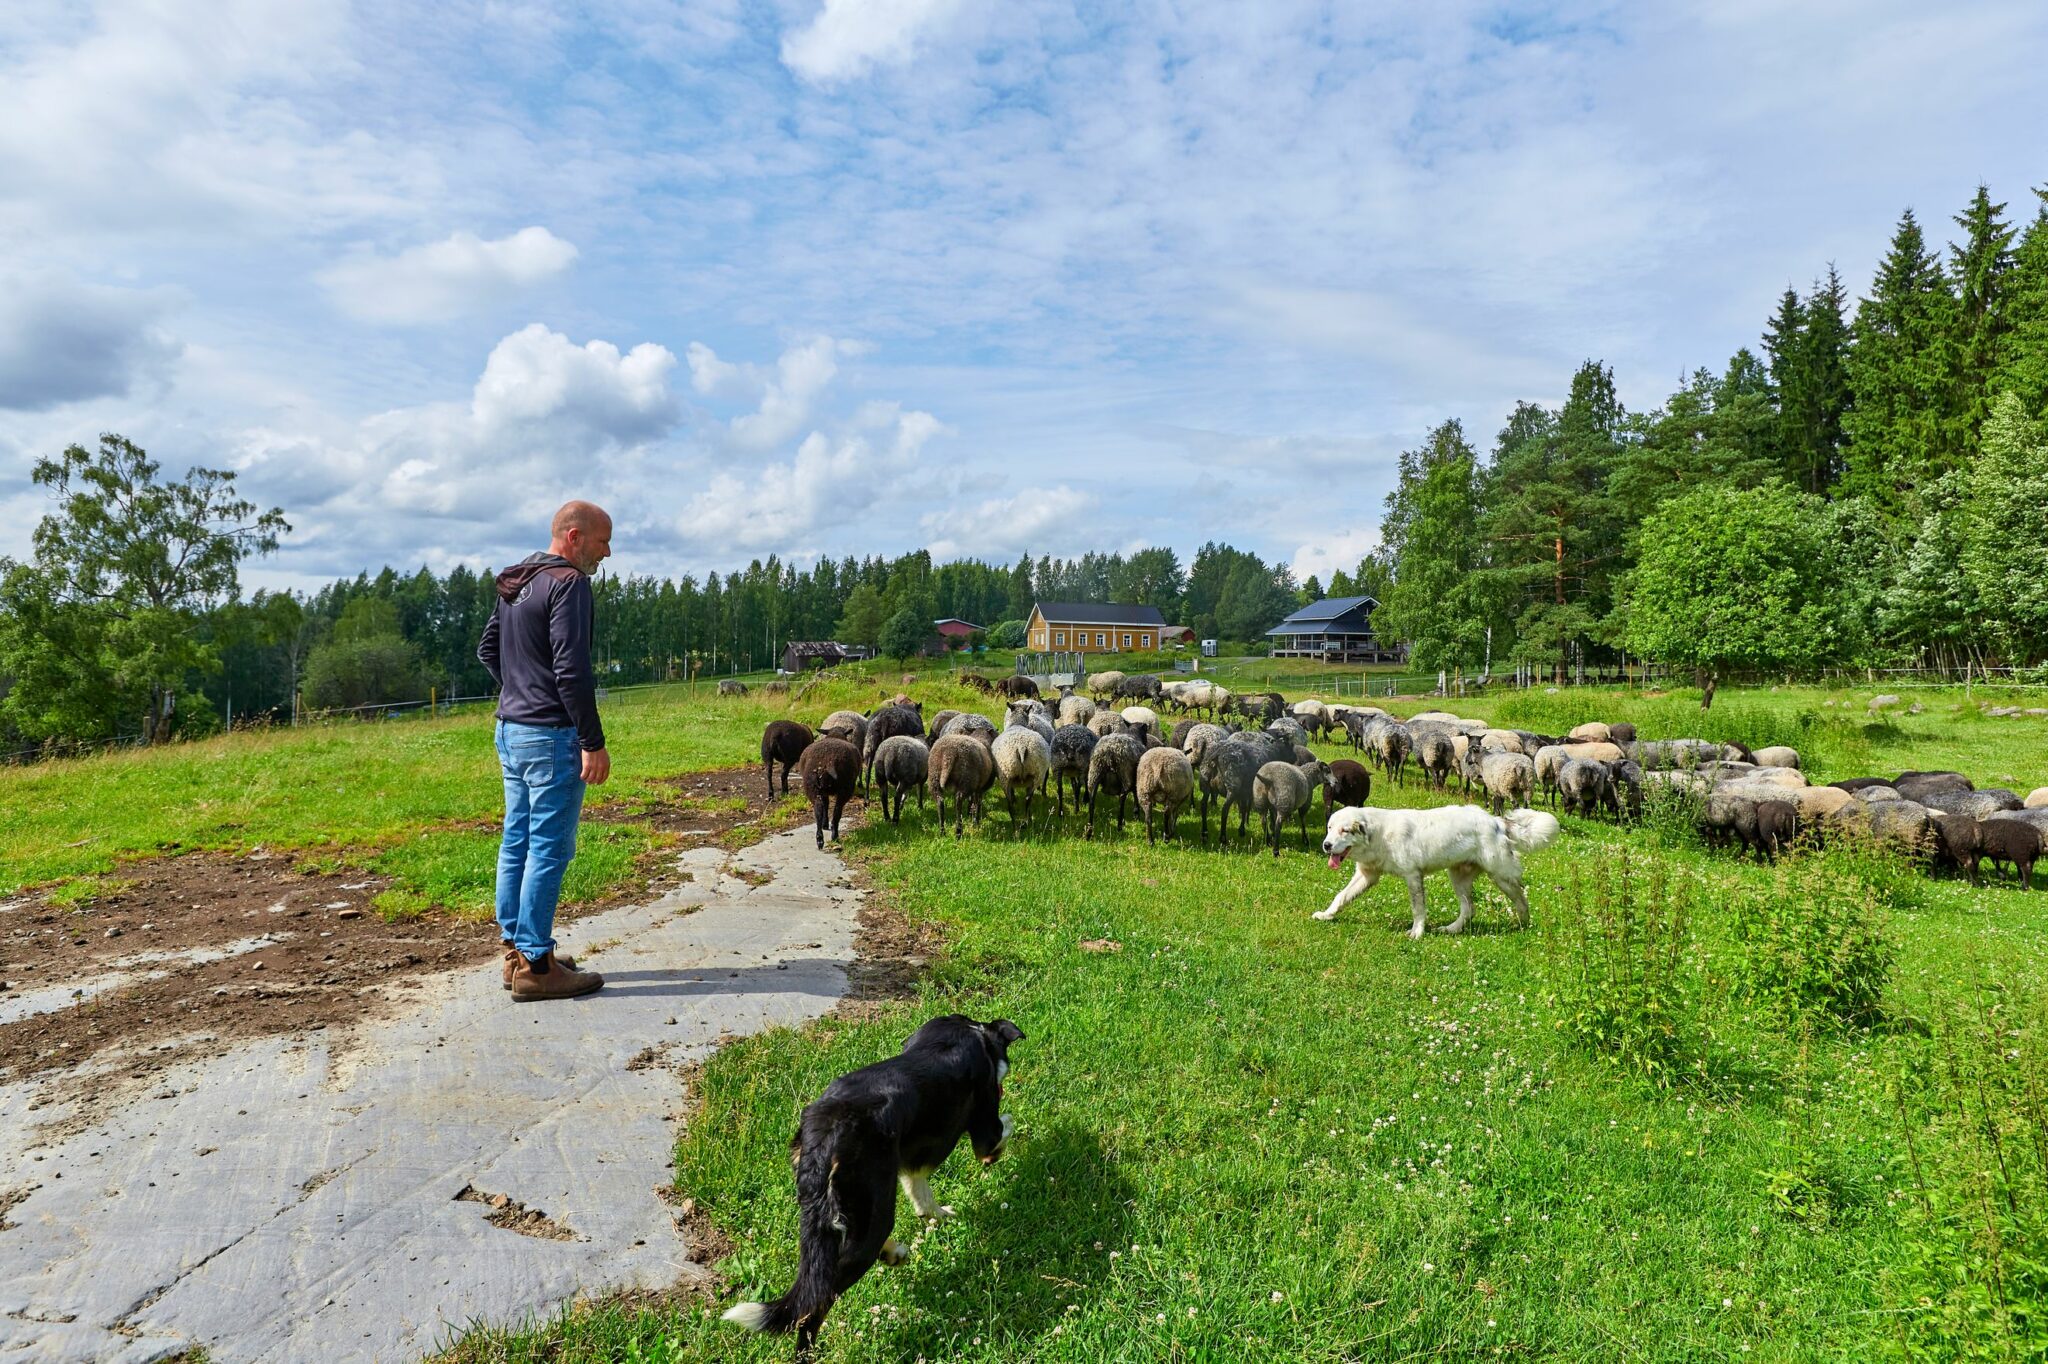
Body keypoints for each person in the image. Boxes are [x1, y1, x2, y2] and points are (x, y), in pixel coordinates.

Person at [477, 500, 613, 1001]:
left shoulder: (519, 580)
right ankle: (536, 965)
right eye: (603, 540)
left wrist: (519, 693)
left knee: (517, 841)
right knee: (549, 848)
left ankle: (517, 951)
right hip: (552, 737)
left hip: (511, 730)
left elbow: (488, 650)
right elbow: (572, 668)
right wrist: (591, 741)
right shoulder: (568, 584)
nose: (608, 551)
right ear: (574, 537)